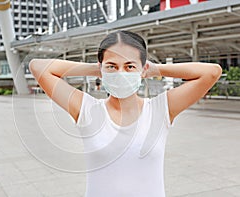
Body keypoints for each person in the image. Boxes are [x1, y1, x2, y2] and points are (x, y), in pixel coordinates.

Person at [29, 30, 222, 197]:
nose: (121, 73)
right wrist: (97, 70)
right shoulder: (87, 109)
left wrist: (156, 69)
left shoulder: (160, 109)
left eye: (130, 66)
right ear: (101, 68)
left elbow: (212, 72)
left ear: (142, 69)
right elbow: (38, 67)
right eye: (112, 66)